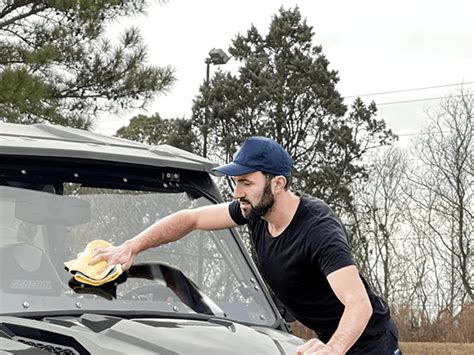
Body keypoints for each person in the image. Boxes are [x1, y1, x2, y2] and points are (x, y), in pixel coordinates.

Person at [90, 136, 402, 355]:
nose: (237, 191)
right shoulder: (253, 210)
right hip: (329, 339)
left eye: (246, 182)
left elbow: (358, 304)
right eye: (236, 181)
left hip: (368, 341)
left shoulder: (318, 230)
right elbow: (190, 219)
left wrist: (335, 348)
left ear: (277, 184)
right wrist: (131, 247)